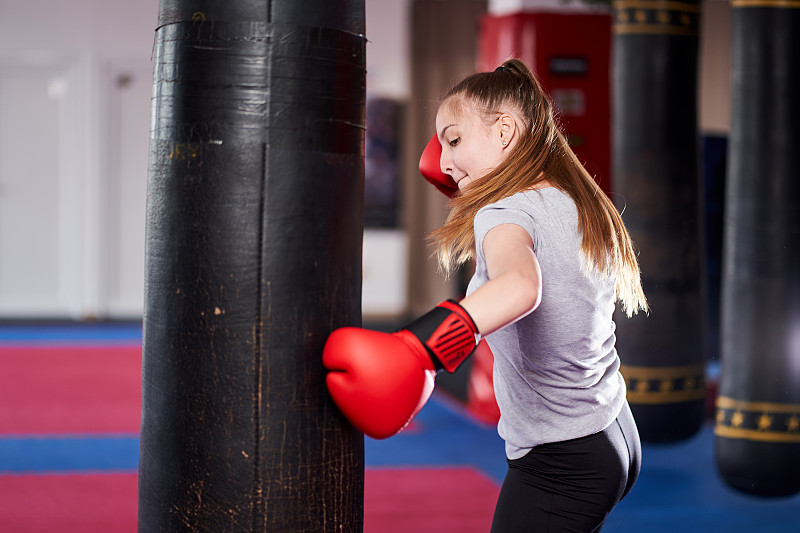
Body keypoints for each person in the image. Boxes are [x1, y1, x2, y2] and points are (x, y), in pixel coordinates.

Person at [323, 58, 647, 532]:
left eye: (453, 139)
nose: (444, 161)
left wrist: (420, 349)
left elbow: (520, 286)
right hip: (612, 429)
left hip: (562, 459)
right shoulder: (569, 198)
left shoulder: (502, 215)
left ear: (504, 133)